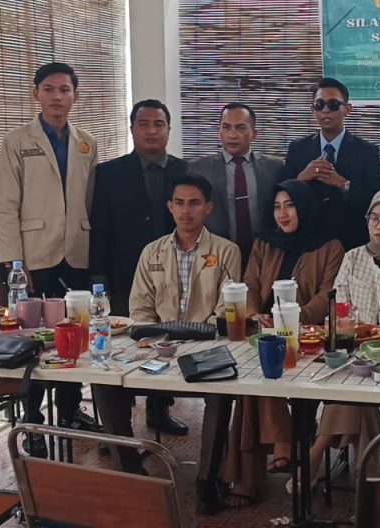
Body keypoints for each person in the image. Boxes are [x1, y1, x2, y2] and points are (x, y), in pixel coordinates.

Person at [92, 174, 241, 513]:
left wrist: (189, 338)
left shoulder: (226, 251)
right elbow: (139, 309)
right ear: (170, 207)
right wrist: (158, 339)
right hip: (155, 347)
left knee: (223, 388)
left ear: (208, 207)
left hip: (205, 347)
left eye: (194, 203)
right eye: (180, 203)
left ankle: (207, 480)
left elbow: (225, 310)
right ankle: (132, 473)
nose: (186, 211)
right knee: (104, 382)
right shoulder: (152, 251)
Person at [291, 189, 380, 493]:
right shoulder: (352, 258)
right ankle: (366, 477)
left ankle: (316, 454)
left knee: (354, 387)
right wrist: (360, 340)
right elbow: (339, 313)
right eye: (374, 218)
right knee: (356, 383)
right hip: (354, 354)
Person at [0, 62, 99, 455]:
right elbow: (7, 206)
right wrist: (15, 263)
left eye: (65, 90)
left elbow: (90, 200)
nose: (57, 97)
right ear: (35, 94)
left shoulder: (86, 142)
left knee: (74, 334)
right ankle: (32, 419)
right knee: (34, 340)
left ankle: (70, 410)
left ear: (75, 96)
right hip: (34, 256)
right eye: (49, 89)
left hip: (77, 252)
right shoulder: (16, 141)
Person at [223, 179, 344, 507]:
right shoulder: (265, 242)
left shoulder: (330, 246)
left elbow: (328, 295)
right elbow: (250, 283)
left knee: (258, 378)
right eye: (277, 207)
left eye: (290, 205)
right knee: (252, 377)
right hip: (263, 331)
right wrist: (255, 315)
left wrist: (292, 317)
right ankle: (283, 443)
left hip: (308, 337)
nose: (283, 213)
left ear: (305, 207)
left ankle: (251, 474)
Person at [89, 99, 189, 437]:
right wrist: (99, 279)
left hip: (170, 274)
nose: (151, 131)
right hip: (123, 272)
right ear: (132, 129)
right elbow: (100, 228)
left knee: (162, 339)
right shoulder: (109, 173)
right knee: (120, 348)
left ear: (168, 130)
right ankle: (116, 427)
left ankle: (159, 410)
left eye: (159, 124)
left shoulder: (184, 171)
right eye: (144, 124)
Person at [284, 78, 380, 250]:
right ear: (312, 109)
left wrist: (343, 184)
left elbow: (378, 200)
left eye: (332, 105)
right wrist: (301, 179)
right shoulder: (297, 149)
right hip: (306, 243)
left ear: (347, 109)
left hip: (351, 243)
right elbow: (283, 198)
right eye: (319, 105)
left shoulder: (366, 151)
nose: (325, 110)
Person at [190, 102, 286, 270]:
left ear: (254, 133)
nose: (232, 134)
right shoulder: (199, 169)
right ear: (220, 132)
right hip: (215, 258)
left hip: (265, 257)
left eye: (240, 128)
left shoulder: (275, 167)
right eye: (226, 127)